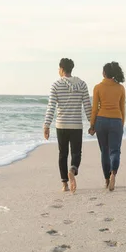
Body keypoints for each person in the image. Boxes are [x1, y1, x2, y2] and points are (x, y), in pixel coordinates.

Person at [44, 58, 92, 193]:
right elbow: (87, 106)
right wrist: (92, 123)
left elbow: (51, 107)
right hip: (76, 125)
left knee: (62, 154)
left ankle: (64, 184)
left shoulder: (56, 85)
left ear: (61, 69)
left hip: (61, 125)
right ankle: (73, 169)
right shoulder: (82, 85)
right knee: (76, 153)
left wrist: (46, 125)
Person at [89, 62, 126, 191]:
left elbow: (94, 109)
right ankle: (113, 174)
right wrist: (121, 124)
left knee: (104, 151)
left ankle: (106, 179)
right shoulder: (120, 88)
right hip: (116, 120)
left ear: (103, 73)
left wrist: (92, 124)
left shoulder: (98, 87)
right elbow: (122, 109)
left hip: (101, 121)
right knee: (115, 150)